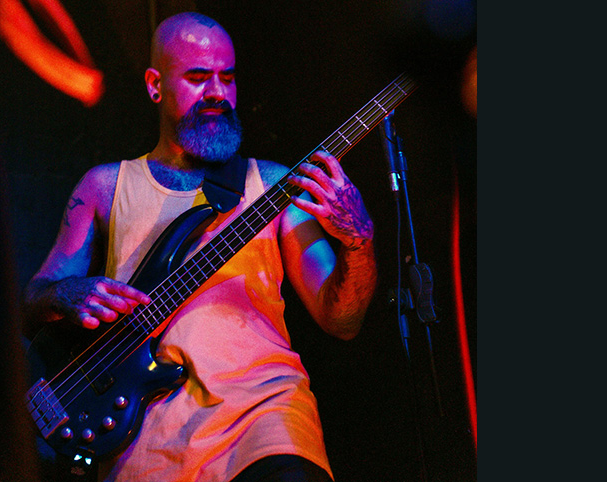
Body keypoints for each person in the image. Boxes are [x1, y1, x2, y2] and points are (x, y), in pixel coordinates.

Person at [23, 11, 377, 482]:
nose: (217, 93)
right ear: (155, 86)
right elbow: (33, 304)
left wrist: (358, 241)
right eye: (197, 77)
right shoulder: (104, 186)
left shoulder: (273, 185)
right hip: (145, 439)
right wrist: (65, 294)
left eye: (227, 78)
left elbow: (342, 319)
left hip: (266, 418)